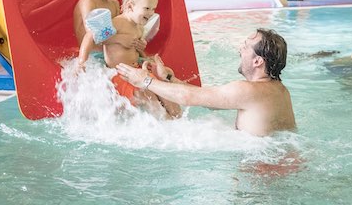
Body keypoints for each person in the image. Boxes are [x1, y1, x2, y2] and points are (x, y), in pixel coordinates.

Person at [116, 28, 296, 137]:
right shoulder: (279, 90)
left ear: (258, 61)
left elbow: (187, 97)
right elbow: (209, 100)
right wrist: (170, 79)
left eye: (246, 46)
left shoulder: (247, 90)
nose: (240, 48)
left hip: (261, 173)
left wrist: (144, 80)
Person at [79, 0, 181, 118]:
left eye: (153, 9)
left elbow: (133, 51)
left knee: (167, 95)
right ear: (130, 6)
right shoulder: (118, 23)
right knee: (148, 97)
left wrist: (142, 52)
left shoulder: (139, 26)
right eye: (147, 8)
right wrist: (81, 62)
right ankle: (166, 125)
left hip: (137, 70)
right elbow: (91, 36)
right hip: (121, 74)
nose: (152, 13)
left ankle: (178, 119)